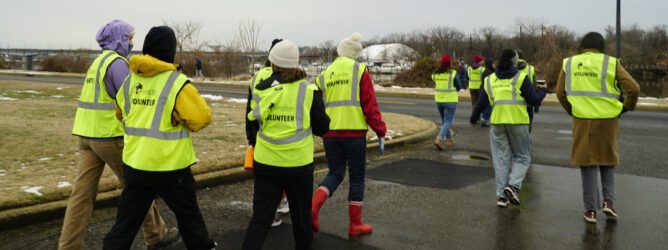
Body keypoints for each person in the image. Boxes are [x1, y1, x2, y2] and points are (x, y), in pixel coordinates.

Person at [61, 20, 178, 250]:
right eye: (129, 38)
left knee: (81, 196)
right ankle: (156, 236)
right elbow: (130, 101)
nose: (132, 43)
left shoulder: (97, 63)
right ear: (119, 39)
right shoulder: (117, 64)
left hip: (86, 136)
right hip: (109, 136)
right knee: (138, 188)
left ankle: (68, 246)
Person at [102, 26, 217, 250]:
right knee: (188, 216)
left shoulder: (130, 82)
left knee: (126, 223)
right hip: (171, 166)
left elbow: (120, 113)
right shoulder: (176, 82)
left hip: (136, 164)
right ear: (170, 51)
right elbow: (201, 118)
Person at [242, 40, 330, 250]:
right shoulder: (309, 92)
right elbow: (323, 127)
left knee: (261, 219)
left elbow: (252, 121)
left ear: (272, 64)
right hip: (298, 166)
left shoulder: (262, 91)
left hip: (266, 163)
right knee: (301, 220)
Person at [555, 32, 639, 223]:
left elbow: (560, 93)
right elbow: (634, 88)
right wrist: (625, 107)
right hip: (608, 119)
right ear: (601, 47)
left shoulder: (569, 63)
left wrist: (572, 110)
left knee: (587, 163)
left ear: (582, 45)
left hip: (582, 119)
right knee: (608, 160)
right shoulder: (610, 62)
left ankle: (590, 211)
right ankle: (609, 202)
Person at [311, 32, 387, 238]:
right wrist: (380, 130)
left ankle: (313, 208)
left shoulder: (327, 72)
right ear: (355, 53)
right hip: (353, 134)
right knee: (357, 178)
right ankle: (355, 225)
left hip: (330, 133)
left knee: (335, 173)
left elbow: (313, 96)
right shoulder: (359, 70)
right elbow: (370, 106)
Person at [470, 49, 547, 207]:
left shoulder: (490, 80)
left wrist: (473, 118)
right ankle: (513, 186)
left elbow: (481, 102)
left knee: (501, 160)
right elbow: (533, 100)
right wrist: (543, 91)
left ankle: (501, 197)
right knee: (523, 157)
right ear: (515, 61)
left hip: (497, 123)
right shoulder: (521, 78)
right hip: (518, 122)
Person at [245, 38, 289, 228]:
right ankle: (279, 205)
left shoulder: (256, 77)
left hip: (257, 130)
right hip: (278, 130)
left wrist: (250, 136)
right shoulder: (283, 76)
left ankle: (267, 212)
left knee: (263, 178)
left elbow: (249, 108)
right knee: (281, 171)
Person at [432, 53, 461, 150]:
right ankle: (439, 139)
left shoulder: (435, 74)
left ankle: (449, 140)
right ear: (450, 64)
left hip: (439, 101)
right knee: (448, 121)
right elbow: (458, 86)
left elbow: (434, 81)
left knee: (445, 121)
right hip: (450, 100)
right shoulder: (453, 73)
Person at [516, 50, 539, 130]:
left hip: (514, 99)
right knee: (528, 119)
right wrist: (536, 103)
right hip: (529, 99)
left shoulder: (510, 68)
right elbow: (535, 86)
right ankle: (527, 136)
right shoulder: (531, 68)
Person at [478, 57, 496, 127]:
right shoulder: (489, 72)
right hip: (486, 90)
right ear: (490, 64)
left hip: (483, 89)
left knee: (486, 106)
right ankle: (484, 119)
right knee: (489, 106)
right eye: (493, 64)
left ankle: (484, 119)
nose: (494, 65)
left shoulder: (488, 71)